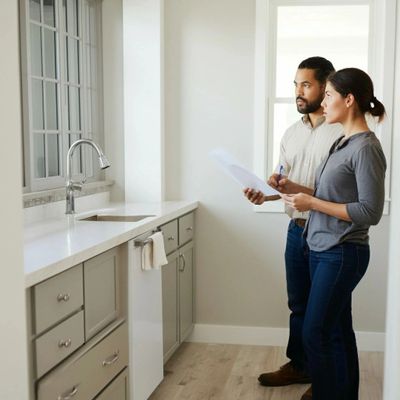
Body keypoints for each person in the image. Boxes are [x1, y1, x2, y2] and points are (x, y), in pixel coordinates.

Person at [281, 67, 386, 400]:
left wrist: (311, 201)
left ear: (349, 99)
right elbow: (329, 194)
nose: (323, 102)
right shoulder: (343, 141)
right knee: (337, 330)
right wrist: (291, 188)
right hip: (323, 248)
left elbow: (369, 211)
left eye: (328, 95)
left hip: (342, 252)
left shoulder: (366, 147)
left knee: (316, 332)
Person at [244, 56, 342, 400]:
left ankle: (326, 381)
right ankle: (299, 365)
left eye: (306, 85)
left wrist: (294, 189)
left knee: (325, 314)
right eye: (295, 85)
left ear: (326, 86)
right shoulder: (291, 132)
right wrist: (266, 191)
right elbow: (283, 182)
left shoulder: (342, 131)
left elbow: (341, 193)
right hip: (295, 230)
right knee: (299, 305)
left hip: (329, 233)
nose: (298, 92)